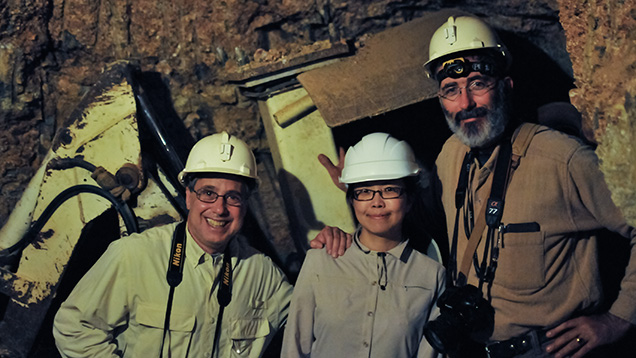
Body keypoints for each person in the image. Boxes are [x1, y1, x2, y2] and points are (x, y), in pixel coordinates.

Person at [313, 15, 636, 358]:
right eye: (451, 90)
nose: (465, 103)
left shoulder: (562, 159)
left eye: (478, 83)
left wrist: (618, 318)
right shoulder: (453, 154)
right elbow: (420, 218)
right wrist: (364, 188)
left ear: (506, 86)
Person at [53, 131, 293, 358]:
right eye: (208, 193)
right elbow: (74, 328)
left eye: (233, 197)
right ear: (189, 197)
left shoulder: (263, 276)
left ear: (245, 205)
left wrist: (327, 253)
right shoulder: (134, 256)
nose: (219, 209)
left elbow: (318, 318)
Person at [281, 132, 445, 358]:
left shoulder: (432, 276)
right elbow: (294, 350)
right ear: (351, 200)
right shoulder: (320, 261)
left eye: (390, 190)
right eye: (365, 191)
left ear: (409, 200)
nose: (377, 202)